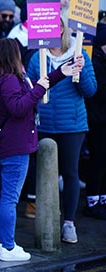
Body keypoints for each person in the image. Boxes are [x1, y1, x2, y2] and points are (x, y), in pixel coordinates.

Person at [0, 38, 81, 262]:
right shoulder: (7, 79)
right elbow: (18, 107)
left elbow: (34, 86)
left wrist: (58, 73)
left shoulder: (3, 76)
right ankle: (8, 247)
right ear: (12, 55)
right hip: (14, 145)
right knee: (10, 198)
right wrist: (39, 88)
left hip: (10, 143)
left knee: (6, 196)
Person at [26, 22, 97, 244]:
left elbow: (90, 90)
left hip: (72, 125)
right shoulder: (38, 56)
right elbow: (28, 88)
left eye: (56, 25)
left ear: (63, 29)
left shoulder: (79, 52)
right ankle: (46, 217)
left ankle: (68, 223)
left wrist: (81, 70)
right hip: (44, 123)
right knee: (43, 174)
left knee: (70, 173)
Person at [84, 22, 106, 220]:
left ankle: (102, 198)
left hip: (101, 118)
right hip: (97, 120)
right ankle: (93, 200)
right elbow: (98, 91)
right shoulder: (96, 62)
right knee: (99, 160)